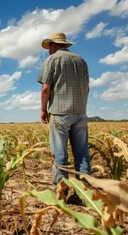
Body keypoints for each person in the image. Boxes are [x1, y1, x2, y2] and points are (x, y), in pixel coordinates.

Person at [37, 32, 91, 186]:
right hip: (80, 112)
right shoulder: (81, 61)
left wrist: (43, 110)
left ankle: (62, 191)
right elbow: (87, 88)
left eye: (49, 47)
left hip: (60, 112)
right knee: (82, 154)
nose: (48, 50)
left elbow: (46, 88)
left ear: (53, 45)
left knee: (60, 154)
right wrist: (81, 108)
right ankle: (84, 191)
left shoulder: (52, 59)